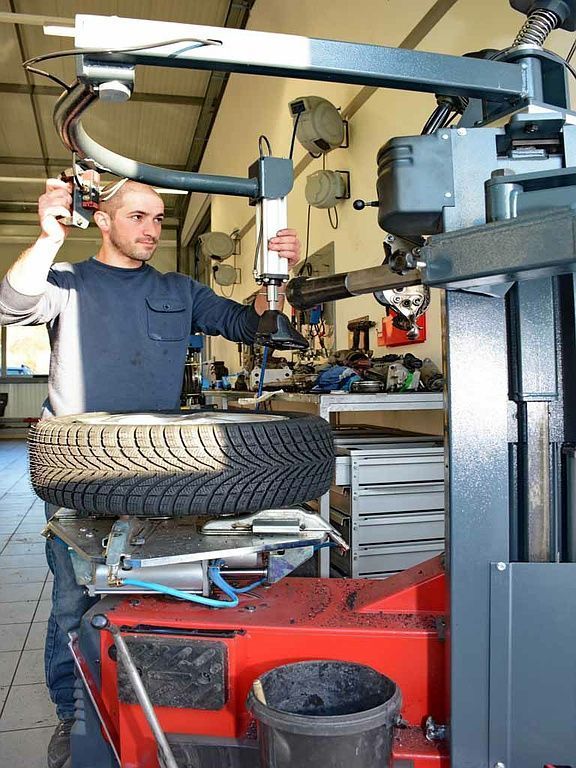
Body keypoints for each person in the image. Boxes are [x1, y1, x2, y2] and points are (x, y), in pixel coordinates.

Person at [0, 178, 301, 768]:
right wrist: (47, 237)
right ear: (103, 221)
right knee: (72, 597)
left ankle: (144, 701)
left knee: (151, 587)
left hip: (157, 469)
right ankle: (72, 712)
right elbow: (11, 305)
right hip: (78, 470)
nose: (152, 229)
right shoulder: (69, 282)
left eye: (159, 218)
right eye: (137, 216)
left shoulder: (180, 288)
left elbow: (251, 326)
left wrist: (276, 276)